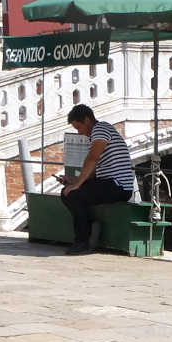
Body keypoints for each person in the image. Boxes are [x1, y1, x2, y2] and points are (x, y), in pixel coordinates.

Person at [60, 104, 134, 255]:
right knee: (68, 191)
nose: (80, 132)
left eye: (79, 127)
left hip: (118, 186)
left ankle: (82, 241)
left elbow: (92, 159)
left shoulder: (100, 129)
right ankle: (87, 232)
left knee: (73, 194)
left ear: (87, 120)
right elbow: (93, 171)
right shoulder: (98, 133)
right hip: (110, 183)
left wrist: (77, 185)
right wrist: (74, 182)